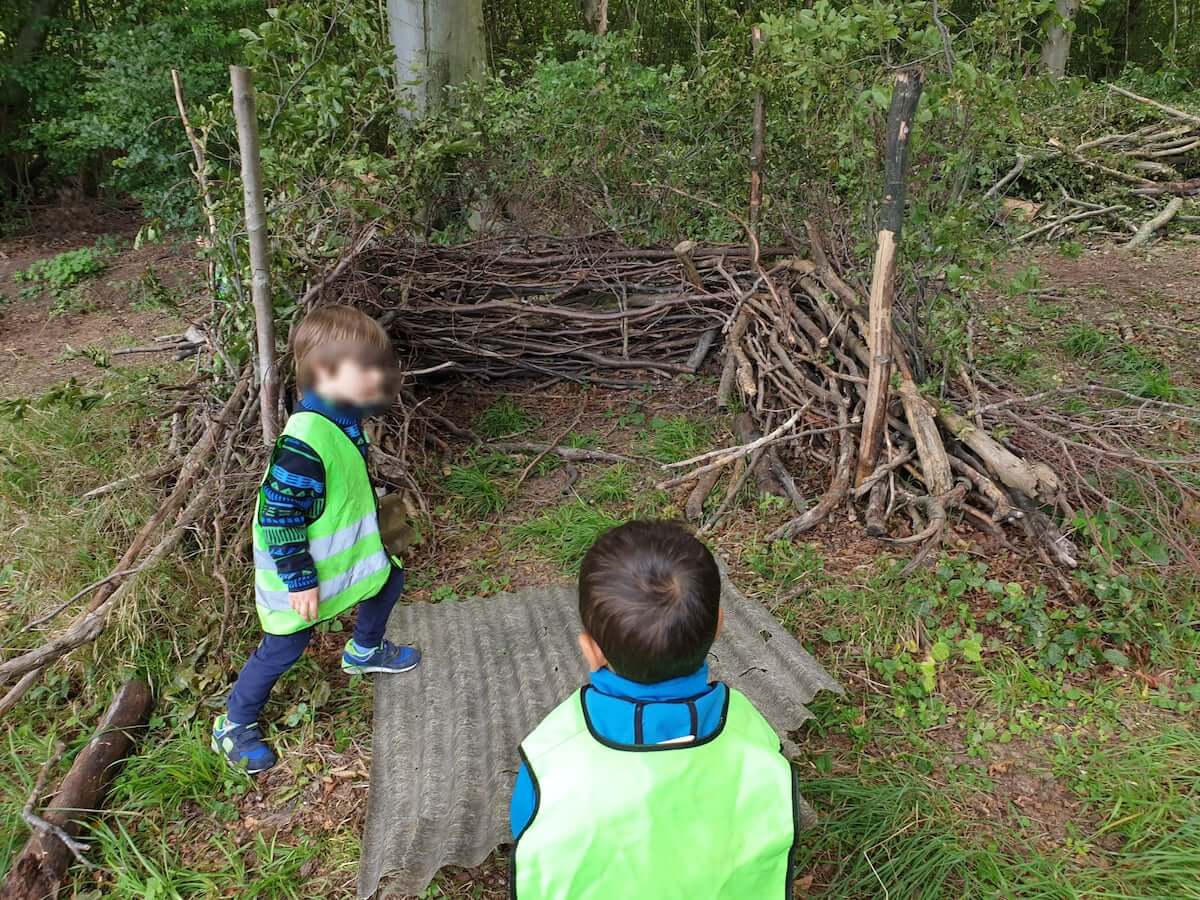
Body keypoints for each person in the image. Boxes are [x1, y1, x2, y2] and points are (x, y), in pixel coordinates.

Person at [509, 520, 799, 899]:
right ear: (719, 627)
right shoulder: (752, 736)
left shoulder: (549, 756)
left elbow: (528, 837)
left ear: (590, 649)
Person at [212, 305, 421, 773]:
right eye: (366, 370)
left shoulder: (340, 415)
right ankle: (233, 723)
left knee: (388, 581)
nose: (378, 378)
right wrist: (299, 579)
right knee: (283, 647)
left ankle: (364, 650)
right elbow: (278, 516)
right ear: (326, 376)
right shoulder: (303, 444)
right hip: (300, 577)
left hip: (343, 562)